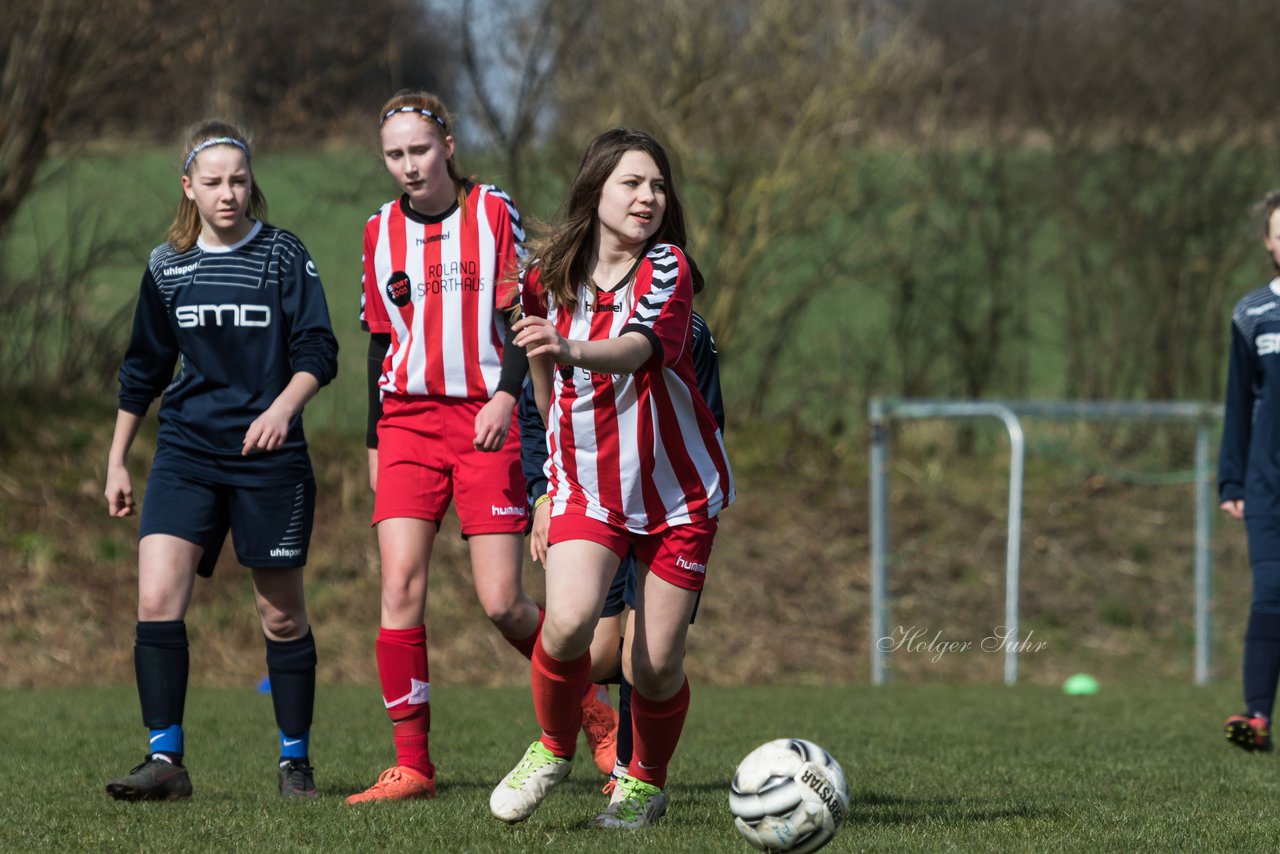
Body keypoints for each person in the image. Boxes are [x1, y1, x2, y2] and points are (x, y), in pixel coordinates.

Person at [348, 90, 615, 804]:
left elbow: (521, 312)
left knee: (502, 601)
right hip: (405, 421)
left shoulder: (492, 210)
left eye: (419, 150)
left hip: (482, 418)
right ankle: (413, 765)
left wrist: (505, 393)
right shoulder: (377, 231)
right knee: (400, 587)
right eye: (395, 155)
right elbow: (379, 342)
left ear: (449, 146)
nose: (408, 166)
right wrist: (375, 440)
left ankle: (593, 712)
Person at [490, 127, 734, 829]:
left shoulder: (668, 268)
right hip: (587, 488)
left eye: (658, 185)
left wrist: (572, 347)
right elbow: (538, 378)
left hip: (678, 494)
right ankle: (550, 748)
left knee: (652, 665)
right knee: (567, 625)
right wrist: (544, 486)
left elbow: (642, 349)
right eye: (632, 183)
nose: (648, 197)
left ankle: (643, 786)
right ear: (595, 189)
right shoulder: (542, 278)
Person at [104, 121, 339, 801]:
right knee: (156, 599)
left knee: (281, 617)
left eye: (239, 179)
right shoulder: (166, 266)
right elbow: (143, 369)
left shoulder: (284, 257)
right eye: (213, 182)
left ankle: (295, 763)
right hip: (186, 452)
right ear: (189, 187)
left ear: (251, 180)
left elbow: (319, 351)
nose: (229, 192)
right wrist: (118, 459)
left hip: (269, 458)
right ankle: (165, 762)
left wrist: (282, 409)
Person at [519, 308, 725, 793]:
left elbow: (708, 419)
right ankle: (578, 721)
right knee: (591, 650)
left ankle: (631, 772)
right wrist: (543, 495)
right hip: (595, 503)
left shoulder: (688, 330)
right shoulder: (566, 314)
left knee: (645, 655)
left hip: (668, 509)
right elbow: (538, 417)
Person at [1219, 189, 1280, 753]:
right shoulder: (1252, 312)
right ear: (1269, 242)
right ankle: (1256, 719)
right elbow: (1239, 403)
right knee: (1270, 592)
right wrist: (1231, 480)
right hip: (1267, 486)